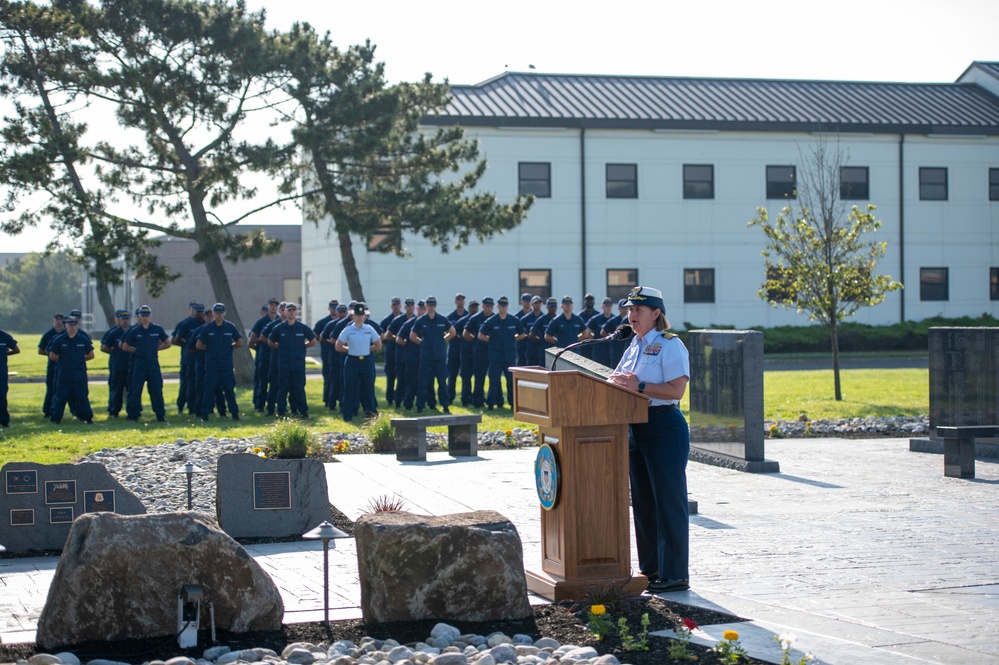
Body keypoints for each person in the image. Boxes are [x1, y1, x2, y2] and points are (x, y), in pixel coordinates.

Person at [607, 286, 691, 593]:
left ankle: (675, 573)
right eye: (629, 311)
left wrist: (639, 386)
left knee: (668, 501)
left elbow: (676, 390)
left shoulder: (670, 345)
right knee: (643, 503)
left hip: (663, 427)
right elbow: (619, 380)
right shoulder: (633, 346)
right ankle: (652, 569)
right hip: (634, 427)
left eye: (638, 311)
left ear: (656, 314)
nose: (631, 317)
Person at [121, 305, 171, 422]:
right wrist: (136, 351)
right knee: (136, 390)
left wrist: (155, 349)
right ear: (139, 317)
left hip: (153, 363)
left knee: (156, 389)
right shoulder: (135, 331)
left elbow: (167, 343)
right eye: (143, 315)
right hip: (139, 363)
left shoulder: (157, 329)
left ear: (150, 316)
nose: (145, 318)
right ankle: (134, 414)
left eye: (147, 315)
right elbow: (124, 346)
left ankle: (160, 414)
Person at [336, 303, 383, 422]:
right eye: (358, 315)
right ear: (353, 316)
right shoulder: (348, 329)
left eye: (362, 315)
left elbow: (378, 345)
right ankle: (347, 414)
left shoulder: (369, 329)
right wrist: (349, 350)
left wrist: (367, 349)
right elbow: (338, 346)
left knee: (368, 389)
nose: (360, 317)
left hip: (366, 361)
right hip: (352, 361)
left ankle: (370, 414)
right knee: (349, 389)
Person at [267, 302, 316, 419]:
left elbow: (313, 340)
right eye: (289, 310)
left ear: (296, 312)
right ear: (285, 312)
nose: (291, 312)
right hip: (284, 364)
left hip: (298, 364)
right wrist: (279, 348)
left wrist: (302, 347)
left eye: (293, 310)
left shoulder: (302, 327)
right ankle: (281, 412)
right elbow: (270, 341)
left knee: (299, 389)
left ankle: (302, 412)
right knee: (282, 389)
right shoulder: (279, 328)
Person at [197, 303, 243, 421]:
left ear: (224, 313)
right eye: (217, 312)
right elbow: (199, 345)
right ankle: (205, 415)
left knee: (229, 390)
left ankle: (234, 413)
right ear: (213, 313)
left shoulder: (230, 327)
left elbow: (239, 342)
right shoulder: (207, 328)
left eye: (221, 312)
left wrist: (228, 347)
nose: (219, 315)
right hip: (211, 365)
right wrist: (211, 350)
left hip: (226, 365)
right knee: (209, 390)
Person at [478, 295, 526, 409]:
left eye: (505, 306)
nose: (503, 308)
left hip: (509, 355)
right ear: (497, 306)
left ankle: (513, 404)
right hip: (496, 355)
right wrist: (491, 341)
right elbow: (480, 335)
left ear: (507, 307)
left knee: (511, 381)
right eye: (501, 306)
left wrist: (513, 340)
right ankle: (491, 403)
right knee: (494, 380)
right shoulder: (492, 320)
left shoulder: (513, 320)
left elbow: (523, 334)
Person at [411, 295, 456, 413]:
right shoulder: (421, 320)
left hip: (439, 356)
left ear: (435, 306)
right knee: (423, 382)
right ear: (425, 306)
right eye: (429, 305)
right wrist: (422, 343)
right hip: (426, 356)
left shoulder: (442, 319)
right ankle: (420, 406)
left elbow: (452, 332)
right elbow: (412, 336)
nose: (431, 308)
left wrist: (443, 340)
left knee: (442, 382)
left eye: (433, 305)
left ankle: (445, 405)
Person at [47, 315, 95, 424]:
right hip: (64, 373)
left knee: (82, 396)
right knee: (60, 397)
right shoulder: (59, 339)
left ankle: (87, 418)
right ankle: (55, 418)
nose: (72, 327)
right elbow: (52, 355)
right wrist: (65, 360)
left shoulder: (83, 339)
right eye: (70, 325)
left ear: (77, 325)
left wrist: (79, 361)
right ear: (65, 326)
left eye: (74, 325)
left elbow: (91, 354)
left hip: (79, 373)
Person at [249, 298, 279, 412]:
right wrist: (261, 348)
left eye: (275, 305)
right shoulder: (261, 322)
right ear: (268, 306)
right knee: (262, 382)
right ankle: (259, 405)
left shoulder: (280, 321)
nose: (273, 307)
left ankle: (272, 405)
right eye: (271, 305)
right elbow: (251, 341)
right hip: (264, 357)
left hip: (276, 357)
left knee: (275, 383)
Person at [100, 310, 132, 417]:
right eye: (123, 318)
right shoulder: (114, 333)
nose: (125, 321)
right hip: (118, 366)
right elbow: (104, 347)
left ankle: (132, 411)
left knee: (132, 390)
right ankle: (114, 411)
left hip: (131, 366)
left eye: (127, 318)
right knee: (117, 390)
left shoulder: (133, 331)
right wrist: (115, 353)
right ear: (119, 319)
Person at [463, 296, 493, 408]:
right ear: (482, 306)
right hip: (480, 352)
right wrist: (475, 340)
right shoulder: (475, 318)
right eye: (487, 306)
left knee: (495, 379)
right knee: (479, 378)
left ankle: (493, 400)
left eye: (491, 306)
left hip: (493, 352)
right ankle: (478, 401)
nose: (489, 308)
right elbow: (465, 333)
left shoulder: (496, 318)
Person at [171, 301, 198, 414]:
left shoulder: (204, 324)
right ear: (189, 309)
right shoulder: (184, 324)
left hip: (200, 359)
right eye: (193, 309)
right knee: (185, 383)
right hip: (187, 359)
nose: (195, 311)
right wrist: (188, 345)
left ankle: (195, 406)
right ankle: (181, 406)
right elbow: (174, 340)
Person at [38, 313, 65, 418]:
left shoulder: (66, 334)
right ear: (53, 321)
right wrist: (51, 353)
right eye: (56, 320)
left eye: (60, 320)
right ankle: (47, 410)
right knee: (51, 389)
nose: (59, 322)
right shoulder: (48, 335)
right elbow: (40, 350)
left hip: (64, 367)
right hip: (52, 366)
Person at [315, 299, 339, 410]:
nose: (334, 309)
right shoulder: (323, 322)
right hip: (327, 354)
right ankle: (327, 400)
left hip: (340, 354)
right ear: (328, 308)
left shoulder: (344, 322)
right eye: (332, 307)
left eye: (336, 307)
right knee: (328, 379)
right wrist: (329, 342)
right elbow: (316, 335)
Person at [454, 299, 478, 406]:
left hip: (478, 352)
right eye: (472, 307)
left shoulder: (479, 319)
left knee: (478, 377)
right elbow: (452, 330)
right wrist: (460, 338)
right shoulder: (463, 320)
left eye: (476, 307)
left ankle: (476, 398)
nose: (474, 308)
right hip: (466, 352)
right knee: (466, 377)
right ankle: (465, 398)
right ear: (469, 308)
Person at [379, 297, 402, 405]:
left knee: (402, 377)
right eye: (394, 304)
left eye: (397, 304)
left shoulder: (405, 318)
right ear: (391, 306)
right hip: (391, 352)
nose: (396, 306)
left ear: (401, 305)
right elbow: (382, 336)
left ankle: (400, 398)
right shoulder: (386, 321)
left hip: (403, 353)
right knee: (390, 377)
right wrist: (394, 338)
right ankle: (389, 399)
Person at [446, 292, 467, 401]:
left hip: (465, 350)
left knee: (465, 375)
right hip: (454, 349)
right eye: (458, 299)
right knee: (452, 375)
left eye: (462, 299)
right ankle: (450, 397)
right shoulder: (450, 317)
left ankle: (465, 397)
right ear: (455, 301)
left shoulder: (468, 316)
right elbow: (445, 332)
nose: (460, 301)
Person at [529, 297, 559, 367]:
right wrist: (541, 341)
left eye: (554, 306)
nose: (553, 308)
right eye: (551, 306)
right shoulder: (542, 319)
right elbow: (532, 335)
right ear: (547, 307)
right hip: (544, 352)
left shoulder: (559, 319)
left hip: (557, 350)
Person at [0, 327, 20, 427]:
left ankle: (4, 420)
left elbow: (16, 350)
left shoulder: (5, 336)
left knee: (2, 396)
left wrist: (4, 354)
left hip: (1, 372)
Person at [587, 297, 615, 367]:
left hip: (611, 351)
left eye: (610, 306)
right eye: (606, 306)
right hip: (599, 351)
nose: (608, 308)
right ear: (602, 307)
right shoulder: (596, 319)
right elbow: (587, 331)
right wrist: (593, 338)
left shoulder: (614, 319)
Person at [514, 293, 533, 366]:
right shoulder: (517, 316)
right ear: (521, 302)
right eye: (525, 301)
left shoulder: (535, 314)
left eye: (529, 301)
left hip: (532, 346)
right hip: (521, 345)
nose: (527, 303)